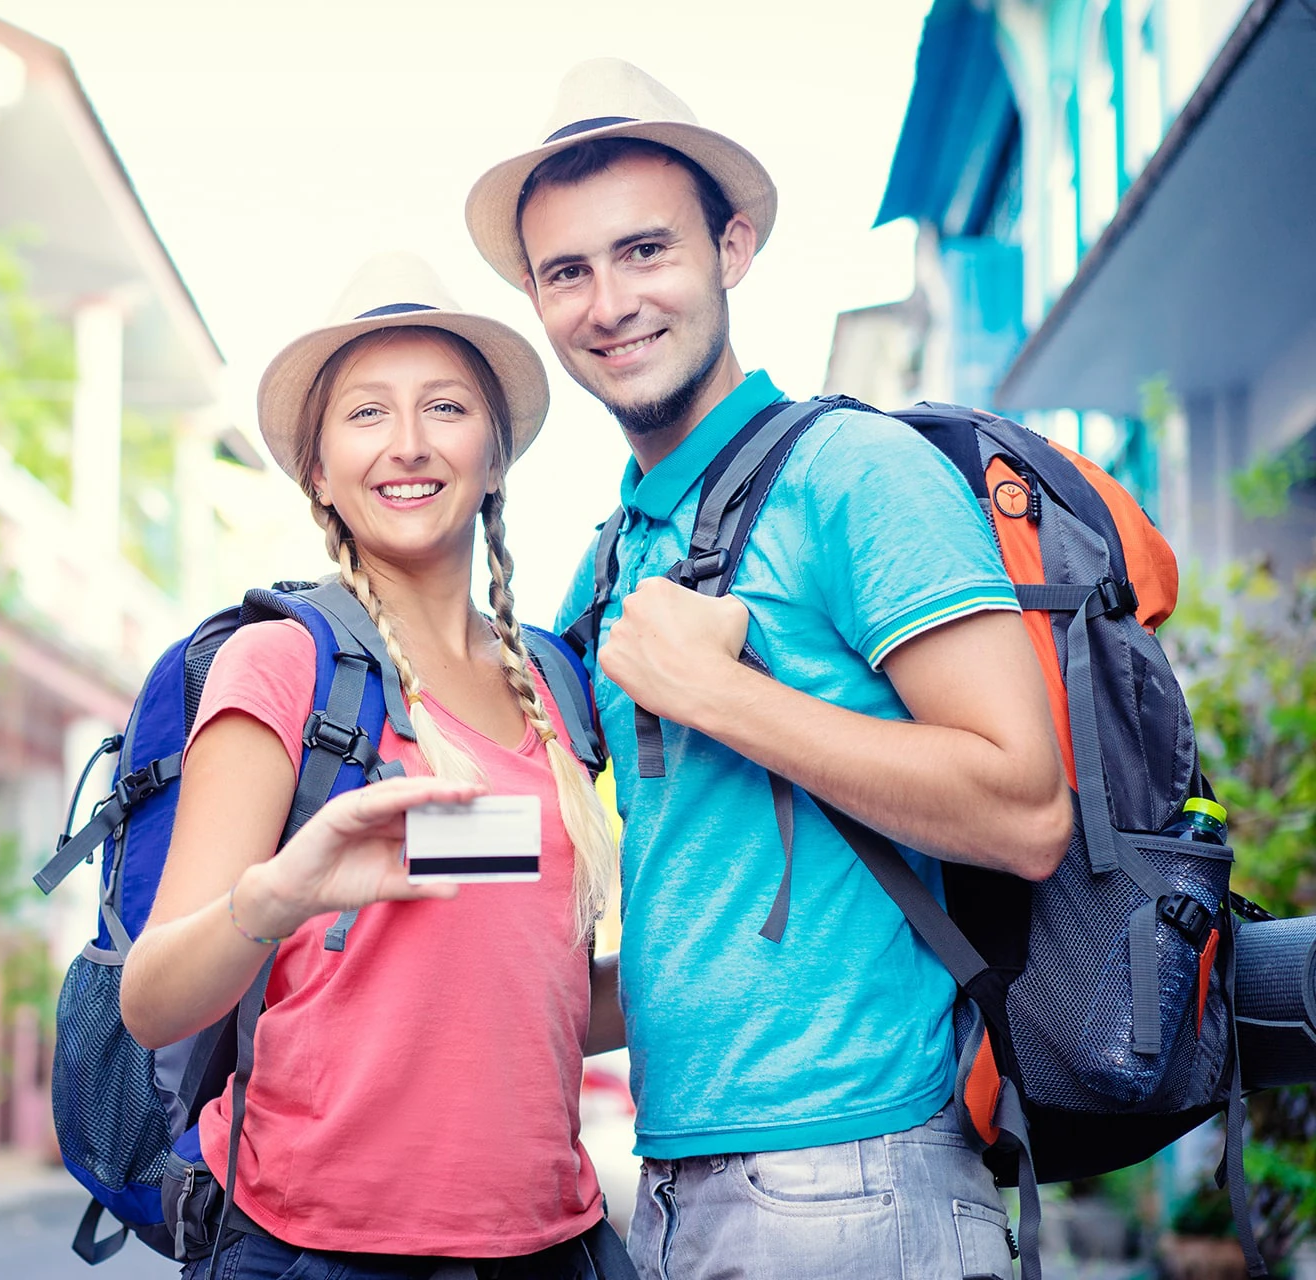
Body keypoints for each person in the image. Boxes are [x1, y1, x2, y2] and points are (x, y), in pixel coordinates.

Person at [463, 59, 1073, 1278]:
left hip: (855, 1177)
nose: (610, 301)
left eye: (646, 251)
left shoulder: (853, 472)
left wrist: (728, 697)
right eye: (567, 271)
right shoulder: (617, 553)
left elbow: (1026, 807)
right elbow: (702, 925)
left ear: (732, 247)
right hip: (687, 1175)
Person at [120, 252, 628, 1280]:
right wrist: (278, 896)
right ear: (318, 470)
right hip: (314, 1249)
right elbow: (153, 999)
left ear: (493, 454)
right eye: (365, 414)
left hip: (546, 1245)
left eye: (444, 407)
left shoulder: (561, 688)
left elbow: (528, 998)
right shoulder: (286, 666)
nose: (407, 444)